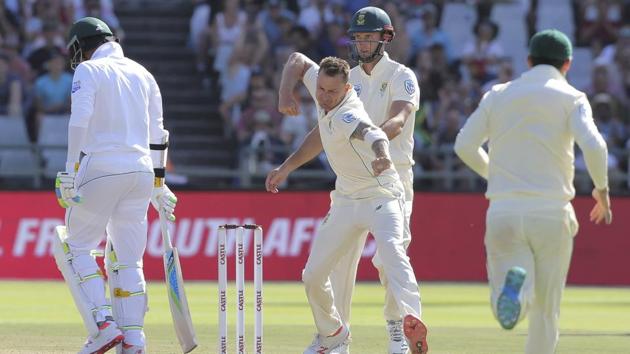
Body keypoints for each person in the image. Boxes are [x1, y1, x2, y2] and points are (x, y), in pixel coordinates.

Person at [454, 29, 612, 354]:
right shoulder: (572, 98)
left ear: (528, 61)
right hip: (553, 213)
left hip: (504, 211)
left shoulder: (498, 94)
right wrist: (602, 190)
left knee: (505, 299)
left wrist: (494, 174)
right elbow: (595, 147)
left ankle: (515, 294)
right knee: (547, 311)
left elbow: (464, 145)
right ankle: (523, 294)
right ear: (567, 65)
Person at [266, 53, 427, 354]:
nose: (324, 98)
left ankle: (411, 319)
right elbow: (297, 62)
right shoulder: (328, 83)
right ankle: (333, 335)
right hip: (346, 198)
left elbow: (373, 133)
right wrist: (285, 93)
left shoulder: (349, 111)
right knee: (313, 276)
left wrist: (381, 153)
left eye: (332, 93)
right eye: (321, 92)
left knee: (391, 250)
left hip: (382, 192)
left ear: (348, 89)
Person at [52, 17, 177, 354]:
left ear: (82, 45)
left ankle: (103, 325)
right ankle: (134, 340)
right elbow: (159, 134)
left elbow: (80, 118)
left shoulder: (89, 71)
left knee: (75, 248)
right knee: (128, 260)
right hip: (140, 172)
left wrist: (69, 170)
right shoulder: (144, 74)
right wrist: (159, 183)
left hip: (101, 166)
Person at [327, 6, 425, 354]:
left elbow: (398, 118)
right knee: (339, 260)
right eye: (358, 37)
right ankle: (338, 337)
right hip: (352, 179)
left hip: (392, 176)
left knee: (390, 257)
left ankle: (397, 329)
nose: (363, 43)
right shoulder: (346, 79)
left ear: (385, 38)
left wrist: (375, 145)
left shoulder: (402, 76)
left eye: (369, 37)